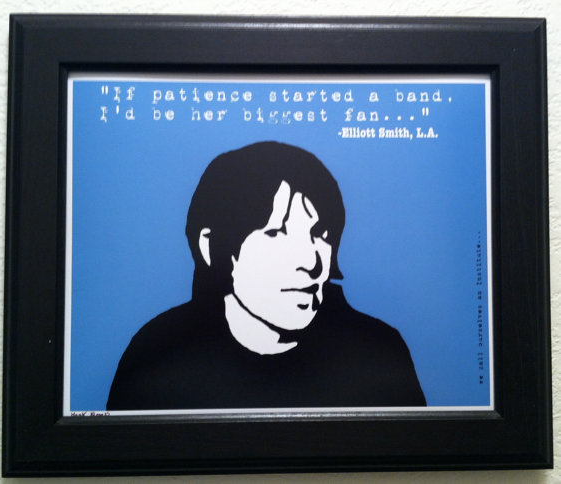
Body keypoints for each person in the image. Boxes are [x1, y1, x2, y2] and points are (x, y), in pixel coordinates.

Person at [107, 141, 425, 410]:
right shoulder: (158, 357)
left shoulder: (379, 355)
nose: (311, 262)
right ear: (211, 247)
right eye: (276, 232)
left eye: (320, 235)